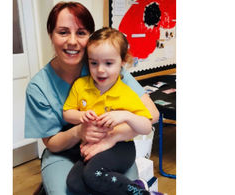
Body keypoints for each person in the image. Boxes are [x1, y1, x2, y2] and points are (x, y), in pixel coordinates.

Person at [24, 2, 159, 195]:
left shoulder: (109, 67)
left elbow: (151, 116)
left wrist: (112, 137)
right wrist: (80, 131)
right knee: (69, 188)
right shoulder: (39, 87)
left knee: (111, 186)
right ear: (51, 36)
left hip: (114, 147)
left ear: (90, 36)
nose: (72, 41)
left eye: (81, 32)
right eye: (63, 32)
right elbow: (52, 142)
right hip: (65, 151)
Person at [63, 27, 159, 195]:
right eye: (94, 63)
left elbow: (145, 126)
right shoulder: (80, 85)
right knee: (74, 183)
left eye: (108, 63)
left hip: (121, 147)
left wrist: (126, 115)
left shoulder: (126, 93)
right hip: (90, 145)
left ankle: (141, 192)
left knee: (94, 174)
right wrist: (81, 116)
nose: (100, 70)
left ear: (122, 62)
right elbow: (67, 113)